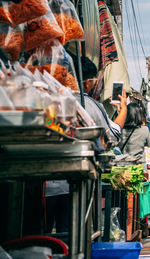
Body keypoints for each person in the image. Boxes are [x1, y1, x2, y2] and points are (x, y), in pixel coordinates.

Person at [44, 57, 127, 233]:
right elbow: (110, 138)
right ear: (88, 82)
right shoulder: (90, 105)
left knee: (38, 234)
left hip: (43, 183)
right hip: (74, 183)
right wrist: (123, 111)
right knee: (70, 234)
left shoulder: (47, 99)